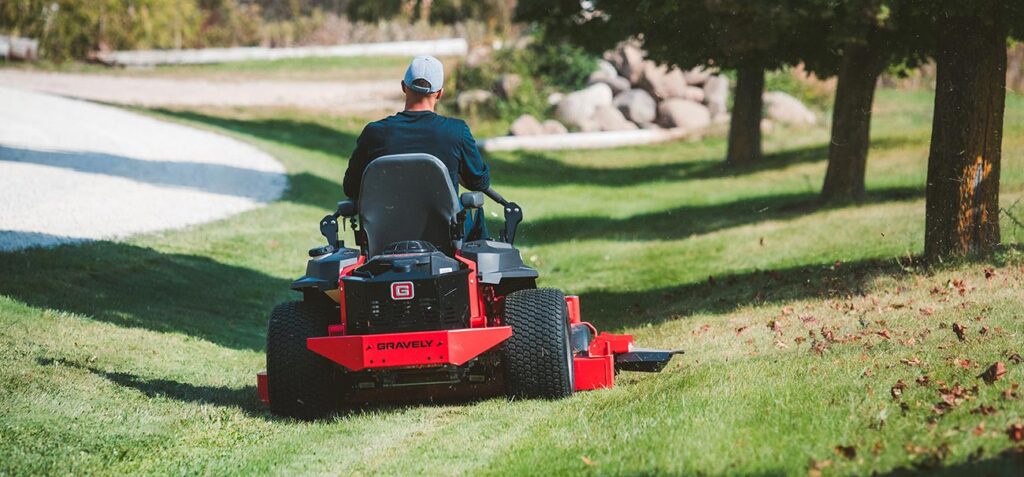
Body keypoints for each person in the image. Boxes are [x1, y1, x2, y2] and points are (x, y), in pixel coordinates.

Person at [342, 55, 490, 240]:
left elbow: (351, 188)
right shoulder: (456, 132)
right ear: (440, 93)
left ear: (404, 87)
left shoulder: (374, 133)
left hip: (384, 236)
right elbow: (479, 182)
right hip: (445, 237)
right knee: (475, 212)